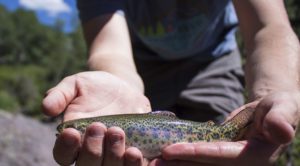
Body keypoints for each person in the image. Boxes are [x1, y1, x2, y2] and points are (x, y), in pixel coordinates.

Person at [42, 0, 300, 165]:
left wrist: (273, 94)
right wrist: (116, 82)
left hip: (213, 59)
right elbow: (110, 51)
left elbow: (268, 27)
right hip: (139, 66)